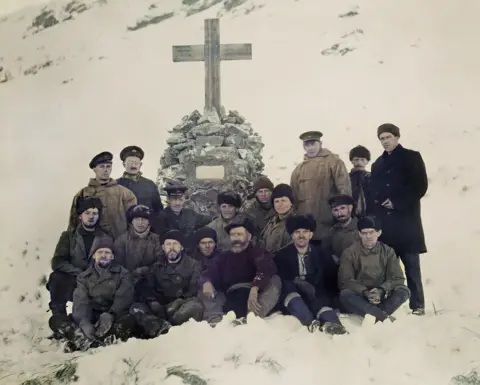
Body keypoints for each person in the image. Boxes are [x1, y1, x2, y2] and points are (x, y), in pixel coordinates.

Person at [370, 123, 428, 315]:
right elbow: (373, 190)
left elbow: (420, 186)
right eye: (382, 138)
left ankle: (417, 305)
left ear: (397, 137)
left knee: (411, 267)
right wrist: (380, 202)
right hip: (386, 227)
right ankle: (386, 304)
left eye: (388, 137)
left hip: (407, 224)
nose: (385, 141)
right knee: (386, 269)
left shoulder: (412, 157)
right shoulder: (377, 164)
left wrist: (397, 202)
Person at [49, 239, 135, 351]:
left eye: (107, 252)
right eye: (100, 252)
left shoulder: (123, 274)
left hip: (112, 316)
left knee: (129, 320)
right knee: (56, 320)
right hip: (90, 315)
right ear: (94, 256)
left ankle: (104, 340)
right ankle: (82, 339)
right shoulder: (83, 277)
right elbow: (81, 300)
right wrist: (84, 321)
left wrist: (111, 314)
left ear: (112, 257)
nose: (103, 255)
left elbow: (123, 297)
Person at [200, 217, 281, 325]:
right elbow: (210, 271)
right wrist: (207, 281)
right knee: (205, 286)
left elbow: (266, 269)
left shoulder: (258, 252)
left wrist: (255, 287)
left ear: (249, 236)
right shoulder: (223, 256)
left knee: (275, 280)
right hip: (230, 297)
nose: (236, 238)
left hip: (254, 297)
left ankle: (252, 318)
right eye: (233, 235)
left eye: (239, 234)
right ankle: (215, 320)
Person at [275, 214, 347, 335]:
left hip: (315, 292)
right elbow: (281, 279)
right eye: (297, 232)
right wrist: (297, 282)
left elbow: (331, 277)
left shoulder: (322, 253)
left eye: (305, 231)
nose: (301, 235)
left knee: (321, 300)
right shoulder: (282, 255)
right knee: (289, 289)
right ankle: (310, 322)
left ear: (311, 234)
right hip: (294, 293)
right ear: (292, 235)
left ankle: (335, 325)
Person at [47, 197, 110, 326]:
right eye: (87, 213)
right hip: (73, 281)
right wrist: (77, 272)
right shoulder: (69, 236)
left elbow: (110, 264)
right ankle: (60, 321)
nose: (91, 217)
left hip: (95, 284)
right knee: (56, 278)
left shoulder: (106, 238)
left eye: (95, 213)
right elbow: (57, 261)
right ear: (80, 216)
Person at [338, 216, 410, 323]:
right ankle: (382, 316)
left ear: (379, 233)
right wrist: (365, 292)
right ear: (359, 234)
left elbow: (397, 278)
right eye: (364, 233)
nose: (368, 236)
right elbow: (345, 281)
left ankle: (375, 314)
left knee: (404, 291)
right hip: (361, 297)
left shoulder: (388, 251)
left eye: (371, 232)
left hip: (382, 296)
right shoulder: (349, 253)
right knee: (345, 295)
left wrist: (381, 290)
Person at [131, 230, 203, 336]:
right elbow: (147, 287)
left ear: (182, 247)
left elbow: (194, 288)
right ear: (163, 247)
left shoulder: (194, 265)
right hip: (161, 307)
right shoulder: (156, 266)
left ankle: (169, 330)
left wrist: (180, 300)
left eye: (175, 244)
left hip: (181, 306)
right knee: (136, 308)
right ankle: (160, 326)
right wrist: (152, 302)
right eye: (168, 244)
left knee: (195, 307)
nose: (171, 247)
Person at [290, 131, 352, 245]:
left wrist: (344, 218)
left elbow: (344, 191)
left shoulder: (333, 162)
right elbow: (294, 200)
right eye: (307, 145)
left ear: (320, 143)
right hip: (307, 230)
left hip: (330, 226)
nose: (310, 148)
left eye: (313, 144)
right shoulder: (298, 170)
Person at [68, 151, 137, 239]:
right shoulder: (83, 193)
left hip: (117, 243)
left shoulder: (125, 193)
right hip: (91, 244)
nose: (106, 170)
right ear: (94, 169)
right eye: (102, 166)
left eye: (108, 166)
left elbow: (133, 223)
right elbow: (73, 223)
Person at [153, 180, 211, 251]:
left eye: (180, 199)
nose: (177, 203)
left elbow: (209, 220)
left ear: (184, 199)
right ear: (168, 200)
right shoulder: (161, 218)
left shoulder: (190, 213)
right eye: (174, 199)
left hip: (191, 256)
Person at [113, 204, 162, 284]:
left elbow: (160, 262)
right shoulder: (121, 240)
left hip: (151, 281)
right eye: (136, 219)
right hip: (125, 281)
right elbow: (117, 264)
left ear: (149, 221)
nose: (140, 223)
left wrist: (144, 270)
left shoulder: (157, 240)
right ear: (131, 221)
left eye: (144, 219)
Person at [117, 146, 164, 216]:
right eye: (130, 162)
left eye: (136, 162)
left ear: (140, 165)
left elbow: (158, 209)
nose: (133, 165)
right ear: (124, 164)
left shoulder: (150, 184)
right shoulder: (116, 184)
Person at [322, 194, 360, 264]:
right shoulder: (333, 230)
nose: (339, 213)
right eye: (335, 210)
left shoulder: (361, 228)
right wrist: (333, 257)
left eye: (342, 208)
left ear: (350, 208)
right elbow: (326, 249)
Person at [260, 184, 295, 254]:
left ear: (291, 203)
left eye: (283, 200)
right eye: (277, 201)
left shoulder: (296, 223)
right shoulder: (271, 222)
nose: (280, 204)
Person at [349, 145, 373, 217]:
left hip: (369, 214)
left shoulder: (372, 177)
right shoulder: (346, 177)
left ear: (367, 161)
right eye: (356, 159)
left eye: (362, 159)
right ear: (351, 161)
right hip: (351, 214)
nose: (359, 162)